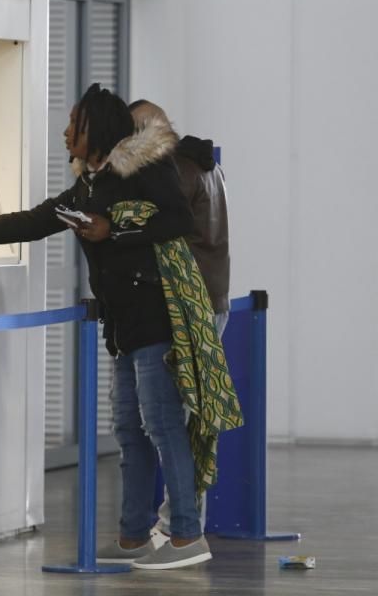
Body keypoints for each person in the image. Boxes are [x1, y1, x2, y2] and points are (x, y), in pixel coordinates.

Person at [0, 83, 216, 570]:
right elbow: (40, 219)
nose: (65, 134)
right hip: (122, 322)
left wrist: (115, 229)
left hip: (155, 315)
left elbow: (177, 218)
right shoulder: (91, 182)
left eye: (73, 126)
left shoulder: (145, 168)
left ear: (96, 130)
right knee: (129, 427)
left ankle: (188, 536)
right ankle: (134, 536)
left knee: (163, 423)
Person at [129, 100, 231, 537]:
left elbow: (154, 233)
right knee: (188, 420)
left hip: (189, 307)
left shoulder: (175, 174)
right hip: (214, 302)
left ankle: (179, 527)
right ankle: (183, 523)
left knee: (172, 422)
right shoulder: (206, 165)